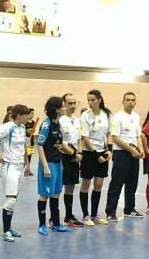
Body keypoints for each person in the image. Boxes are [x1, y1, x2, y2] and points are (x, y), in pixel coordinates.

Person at [0, 104, 30, 242]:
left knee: (13, 199)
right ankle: (5, 231)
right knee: (10, 199)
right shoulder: (7, 127)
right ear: (18, 115)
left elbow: (23, 146)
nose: (28, 117)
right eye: (26, 115)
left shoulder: (22, 127)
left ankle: (9, 227)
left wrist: (27, 163)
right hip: (10, 167)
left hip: (20, 167)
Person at [36, 96, 74, 235]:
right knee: (45, 194)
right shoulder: (46, 125)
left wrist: (72, 152)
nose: (65, 108)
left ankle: (56, 224)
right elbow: (40, 146)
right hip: (49, 163)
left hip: (58, 163)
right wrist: (45, 166)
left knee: (56, 194)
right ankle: (42, 225)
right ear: (57, 109)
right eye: (63, 106)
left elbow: (58, 144)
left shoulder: (58, 123)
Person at [105, 92, 146, 221]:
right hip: (121, 154)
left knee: (132, 183)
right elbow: (115, 138)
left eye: (133, 100)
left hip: (134, 153)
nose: (130, 102)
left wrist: (140, 149)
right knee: (117, 183)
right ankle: (110, 211)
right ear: (123, 102)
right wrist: (131, 150)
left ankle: (129, 209)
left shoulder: (136, 116)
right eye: (127, 100)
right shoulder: (117, 117)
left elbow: (138, 135)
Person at [78, 89, 113, 224]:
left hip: (103, 152)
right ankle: (85, 215)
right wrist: (96, 154)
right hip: (89, 153)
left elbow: (109, 133)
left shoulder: (107, 114)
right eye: (89, 100)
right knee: (86, 184)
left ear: (99, 100)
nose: (90, 102)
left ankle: (94, 214)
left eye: (93, 100)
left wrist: (109, 150)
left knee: (98, 184)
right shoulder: (85, 115)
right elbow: (85, 137)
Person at [58, 93, 83, 226]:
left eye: (74, 103)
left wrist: (80, 153)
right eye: (69, 103)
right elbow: (60, 142)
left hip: (75, 157)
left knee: (71, 187)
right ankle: (53, 217)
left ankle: (69, 216)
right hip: (63, 157)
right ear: (64, 104)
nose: (73, 106)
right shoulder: (60, 121)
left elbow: (80, 139)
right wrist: (73, 154)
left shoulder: (77, 120)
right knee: (58, 187)